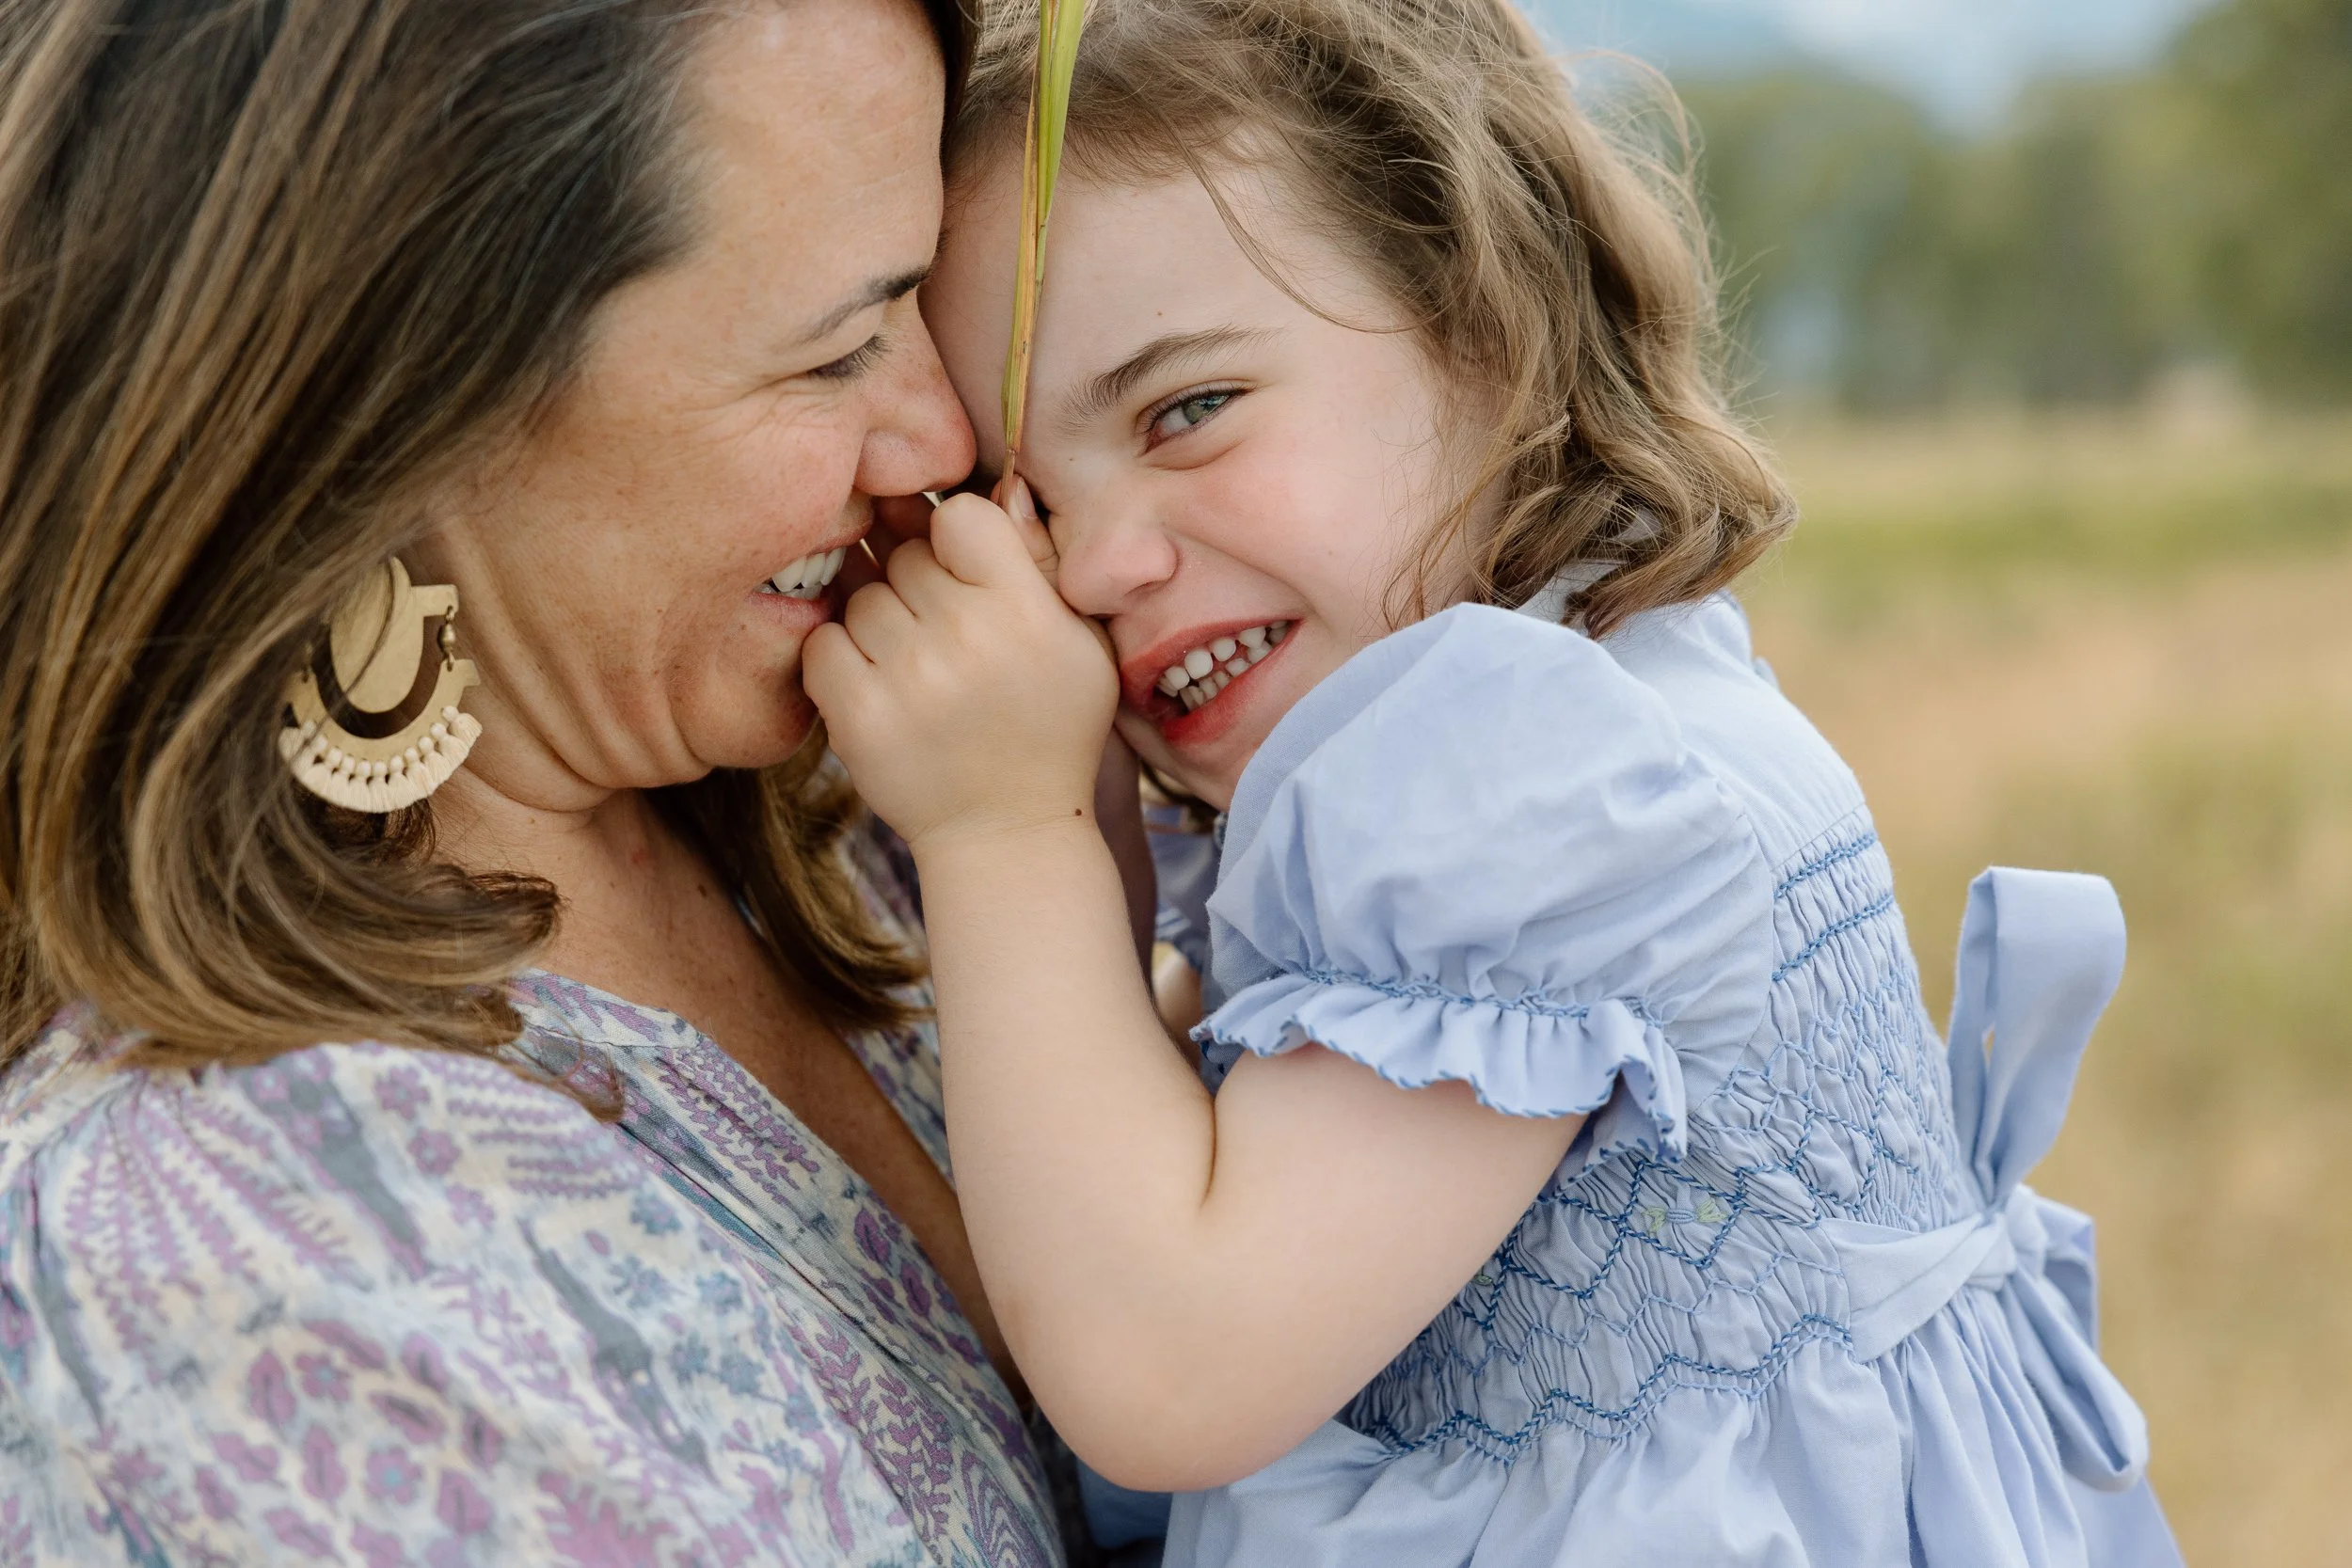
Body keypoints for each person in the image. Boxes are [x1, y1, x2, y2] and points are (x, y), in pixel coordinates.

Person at [803, 0, 2186, 1561]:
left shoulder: (1520, 791)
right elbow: (1158, 1167)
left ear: (1485, 321)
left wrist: (1005, 831)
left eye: (1187, 410)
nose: (1102, 564)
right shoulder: (1588, 697)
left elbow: (1166, 1362)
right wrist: (1085, 831)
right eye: (1028, 508)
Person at [0, 0, 1099, 1561]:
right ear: (411, 391)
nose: (938, 436)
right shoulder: (233, 1245)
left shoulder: (871, 796)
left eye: (926, 297)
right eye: (839, 347)